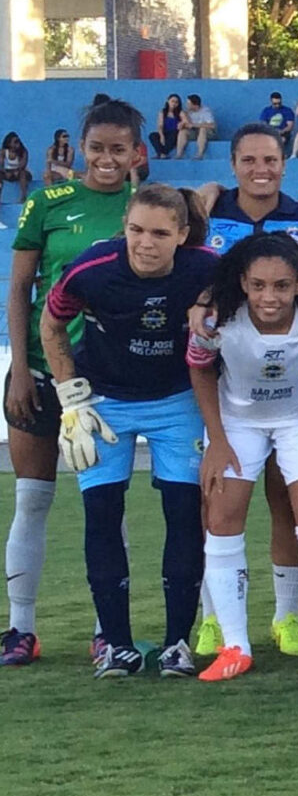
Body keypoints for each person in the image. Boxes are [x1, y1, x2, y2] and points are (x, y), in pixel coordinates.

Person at [42, 185, 220, 679]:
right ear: (124, 225)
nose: (146, 242)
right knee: (101, 513)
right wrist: (69, 397)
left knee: (183, 513)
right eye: (136, 230)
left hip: (176, 401)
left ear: (182, 235)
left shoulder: (207, 268)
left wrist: (208, 309)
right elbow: (51, 325)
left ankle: (177, 645)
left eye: (161, 233)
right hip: (104, 403)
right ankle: (116, 646)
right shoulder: (90, 269)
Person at [4, 96, 149, 666]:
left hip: (109, 379)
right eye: (96, 148)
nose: (107, 159)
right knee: (32, 499)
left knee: (105, 507)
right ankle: (20, 629)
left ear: (137, 152)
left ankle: (105, 630)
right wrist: (19, 365)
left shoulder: (148, 207)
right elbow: (20, 289)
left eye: (119, 149)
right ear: (79, 148)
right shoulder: (47, 201)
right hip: (42, 368)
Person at [184, 234, 298, 681]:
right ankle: (235, 645)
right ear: (243, 283)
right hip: (238, 422)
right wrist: (217, 439)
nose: (268, 297)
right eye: (258, 286)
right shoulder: (219, 321)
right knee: (222, 518)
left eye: (280, 286)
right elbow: (198, 366)